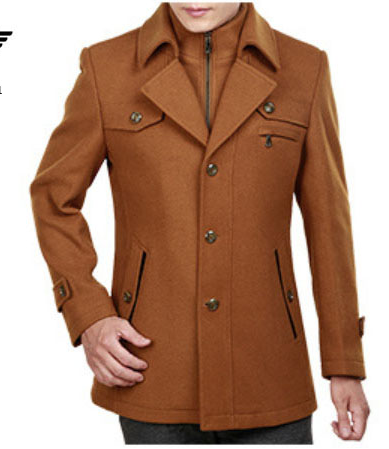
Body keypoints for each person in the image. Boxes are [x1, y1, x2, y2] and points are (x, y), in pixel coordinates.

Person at [30, 2, 370, 444]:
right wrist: (89, 314)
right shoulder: (106, 68)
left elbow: (329, 223)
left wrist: (344, 363)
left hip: (268, 370)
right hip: (150, 366)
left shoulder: (305, 69)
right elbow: (53, 197)